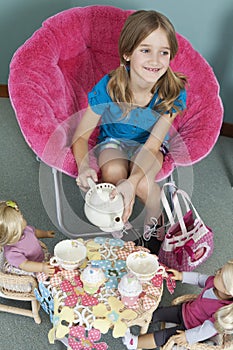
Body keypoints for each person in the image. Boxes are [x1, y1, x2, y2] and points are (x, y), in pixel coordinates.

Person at [72, 10, 187, 247]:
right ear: (127, 54)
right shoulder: (109, 86)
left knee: (144, 183)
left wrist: (132, 182)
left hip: (150, 144)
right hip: (113, 141)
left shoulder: (172, 93)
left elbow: (153, 145)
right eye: (145, 50)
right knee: (114, 171)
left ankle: (156, 225)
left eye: (163, 52)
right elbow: (81, 137)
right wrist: (83, 167)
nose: (155, 61)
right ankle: (119, 219)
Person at [122, 260, 233, 349]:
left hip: (189, 327)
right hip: (185, 310)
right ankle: (133, 318)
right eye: (220, 270)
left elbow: (206, 330)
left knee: (163, 336)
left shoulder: (223, 311)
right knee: (158, 312)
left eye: (220, 275)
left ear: (227, 291)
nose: (216, 272)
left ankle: (133, 342)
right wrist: (181, 276)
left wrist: (188, 336)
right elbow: (199, 278)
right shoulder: (212, 282)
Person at [0, 200, 55, 276]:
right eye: (21, 218)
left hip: (40, 257)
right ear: (15, 231)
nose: (22, 216)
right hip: (32, 269)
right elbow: (25, 264)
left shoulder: (25, 229)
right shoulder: (11, 252)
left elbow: (35, 232)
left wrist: (46, 234)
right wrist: (42, 268)